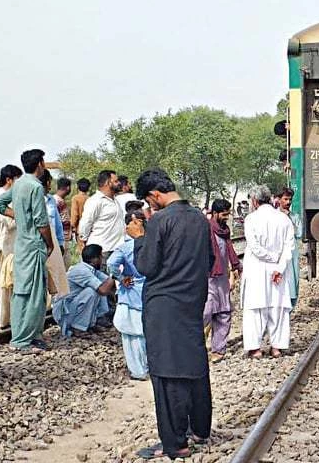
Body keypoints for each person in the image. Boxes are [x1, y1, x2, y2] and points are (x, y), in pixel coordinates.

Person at [131, 169, 213, 460]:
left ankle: (175, 442)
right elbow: (210, 260)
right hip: (192, 300)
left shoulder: (160, 221)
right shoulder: (200, 219)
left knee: (167, 374)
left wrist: (140, 238)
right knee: (194, 362)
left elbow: (147, 266)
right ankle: (200, 429)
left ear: (154, 195)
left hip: (164, 307)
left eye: (148, 201)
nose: (149, 207)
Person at [0, 149, 54, 352]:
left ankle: (29, 335)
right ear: (40, 165)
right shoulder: (35, 187)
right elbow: (41, 221)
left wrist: (18, 215)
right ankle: (23, 339)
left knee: (21, 292)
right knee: (35, 294)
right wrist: (50, 242)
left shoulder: (19, 185)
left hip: (21, 246)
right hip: (34, 245)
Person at [241, 185, 295, 359]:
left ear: (255, 201)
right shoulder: (284, 219)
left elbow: (255, 247)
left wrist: (270, 257)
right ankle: (277, 347)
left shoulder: (251, 219)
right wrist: (279, 266)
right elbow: (289, 248)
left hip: (257, 269)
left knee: (255, 310)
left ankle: (255, 349)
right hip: (278, 270)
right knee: (278, 308)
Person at [107, 210, 148, 380]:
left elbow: (111, 264)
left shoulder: (125, 247)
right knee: (146, 333)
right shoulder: (151, 242)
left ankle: (138, 371)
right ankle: (148, 366)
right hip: (147, 289)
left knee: (130, 335)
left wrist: (121, 277)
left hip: (130, 291)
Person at [204, 199, 242, 364]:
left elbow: (229, 252)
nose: (227, 217)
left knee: (223, 313)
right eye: (224, 214)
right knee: (205, 313)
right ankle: (192, 347)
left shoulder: (224, 231)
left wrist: (236, 268)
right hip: (208, 279)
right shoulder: (206, 230)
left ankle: (218, 349)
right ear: (215, 213)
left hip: (222, 279)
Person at [52, 244, 114, 337]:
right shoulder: (81, 270)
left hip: (72, 308)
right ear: (95, 259)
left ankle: (92, 323)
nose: (102, 260)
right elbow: (103, 290)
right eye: (101, 257)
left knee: (99, 286)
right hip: (65, 313)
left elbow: (107, 282)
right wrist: (115, 274)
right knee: (93, 291)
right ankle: (78, 327)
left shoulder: (92, 270)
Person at [0, 164, 22, 331]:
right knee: (3, 286)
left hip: (13, 247)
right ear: (9, 180)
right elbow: (9, 223)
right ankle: (2, 322)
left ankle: (10, 320)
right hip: (4, 247)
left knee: (12, 286)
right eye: (17, 178)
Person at [78, 170, 125, 267]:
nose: (119, 183)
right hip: (102, 251)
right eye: (116, 181)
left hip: (116, 249)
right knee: (103, 281)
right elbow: (86, 223)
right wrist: (83, 242)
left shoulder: (115, 200)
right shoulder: (95, 201)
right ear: (108, 183)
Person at [40, 170, 69, 299]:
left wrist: (60, 243)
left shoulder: (51, 200)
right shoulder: (30, 199)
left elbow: (57, 224)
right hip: (38, 245)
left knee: (56, 281)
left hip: (53, 244)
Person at [278, 187, 301, 307]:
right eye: (285, 199)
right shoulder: (274, 216)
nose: (288, 202)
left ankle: (290, 308)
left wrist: (288, 219)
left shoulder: (295, 216)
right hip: (278, 253)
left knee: (293, 280)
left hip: (292, 253)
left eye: (290, 199)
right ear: (278, 199)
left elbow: (299, 233)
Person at [70, 178, 91, 254]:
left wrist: (72, 226)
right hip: (90, 229)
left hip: (80, 229)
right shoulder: (90, 199)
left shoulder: (75, 198)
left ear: (78, 187)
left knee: (82, 252)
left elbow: (74, 215)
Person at [53, 177, 72, 254]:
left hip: (64, 238)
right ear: (68, 188)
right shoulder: (56, 201)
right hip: (60, 239)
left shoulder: (59, 200)